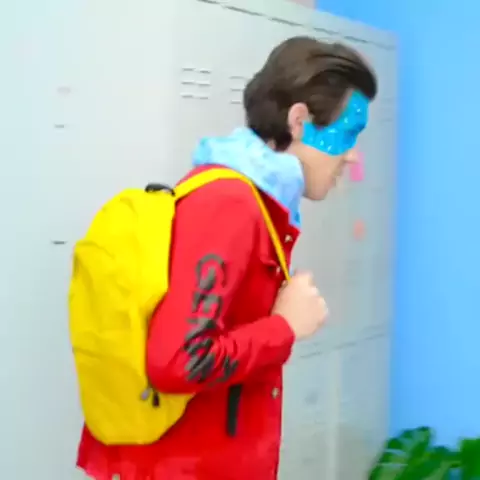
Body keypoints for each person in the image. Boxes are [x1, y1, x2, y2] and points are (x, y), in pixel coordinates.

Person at [77, 36, 377, 480]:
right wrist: (285, 326)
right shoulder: (230, 203)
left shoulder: (259, 203)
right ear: (299, 121)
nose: (353, 155)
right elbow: (178, 361)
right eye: (347, 134)